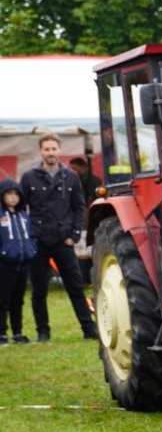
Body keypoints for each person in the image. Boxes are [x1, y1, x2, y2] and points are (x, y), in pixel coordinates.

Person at [20, 134, 97, 341]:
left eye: (54, 149)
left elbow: (79, 207)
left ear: (60, 151)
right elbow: (20, 208)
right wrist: (28, 235)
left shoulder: (70, 176)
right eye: (47, 149)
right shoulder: (29, 177)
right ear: (41, 152)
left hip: (64, 240)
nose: (50, 153)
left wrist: (74, 235)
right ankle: (42, 332)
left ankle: (88, 330)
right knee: (39, 290)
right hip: (38, 240)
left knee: (75, 287)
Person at [0, 178, 35, 345]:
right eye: (9, 194)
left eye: (16, 194)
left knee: (18, 300)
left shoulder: (24, 216)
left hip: (23, 265)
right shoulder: (1, 217)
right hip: (4, 266)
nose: (13, 197)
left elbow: (31, 235)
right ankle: (1, 334)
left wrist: (31, 250)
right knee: (3, 300)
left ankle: (18, 332)